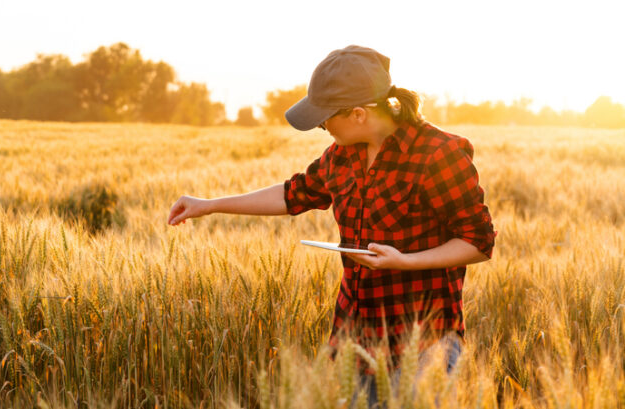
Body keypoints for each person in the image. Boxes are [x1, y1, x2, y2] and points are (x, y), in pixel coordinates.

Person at [167, 45, 495, 407]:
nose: (321, 127)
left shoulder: (439, 154)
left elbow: (478, 243)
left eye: (325, 119)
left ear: (358, 114)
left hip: (422, 344)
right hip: (353, 340)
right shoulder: (342, 154)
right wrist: (210, 206)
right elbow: (292, 195)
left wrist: (402, 261)